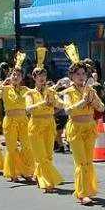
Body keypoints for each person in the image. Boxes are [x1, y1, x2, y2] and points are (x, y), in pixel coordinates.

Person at [62, 61, 105, 205]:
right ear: (72, 76)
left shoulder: (90, 90)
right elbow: (67, 110)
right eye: (78, 74)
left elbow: (102, 107)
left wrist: (93, 102)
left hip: (89, 127)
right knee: (81, 162)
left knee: (88, 161)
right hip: (75, 128)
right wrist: (82, 102)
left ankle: (88, 189)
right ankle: (82, 193)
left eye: (83, 74)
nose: (81, 76)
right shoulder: (68, 92)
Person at [25, 65, 64, 193]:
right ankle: (47, 183)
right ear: (34, 78)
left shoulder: (51, 92)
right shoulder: (29, 93)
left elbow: (61, 105)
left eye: (44, 76)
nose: (42, 78)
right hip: (35, 125)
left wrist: (55, 103)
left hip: (49, 124)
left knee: (48, 155)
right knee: (41, 156)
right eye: (39, 76)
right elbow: (28, 109)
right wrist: (43, 103)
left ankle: (38, 175)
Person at [1, 59, 35, 183]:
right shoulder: (5, 89)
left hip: (23, 120)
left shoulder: (26, 90)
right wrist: (1, 84)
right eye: (13, 74)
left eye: (18, 75)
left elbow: (37, 92)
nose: (15, 77)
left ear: (22, 77)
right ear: (9, 76)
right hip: (10, 120)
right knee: (12, 148)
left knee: (27, 146)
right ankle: (13, 172)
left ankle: (26, 172)